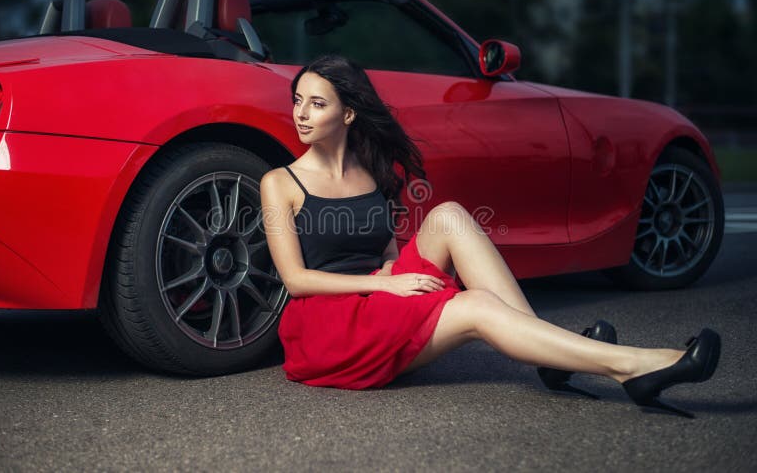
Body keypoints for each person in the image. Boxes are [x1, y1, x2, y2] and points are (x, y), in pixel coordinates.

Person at [259, 54, 720, 417]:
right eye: (298, 100)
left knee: (451, 215)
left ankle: (550, 353)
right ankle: (634, 366)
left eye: (317, 103)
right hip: (327, 330)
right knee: (477, 306)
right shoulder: (279, 183)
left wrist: (388, 276)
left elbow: (385, 254)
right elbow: (297, 280)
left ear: (349, 113)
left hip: (375, 298)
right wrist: (385, 284)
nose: (301, 114)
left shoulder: (372, 172)